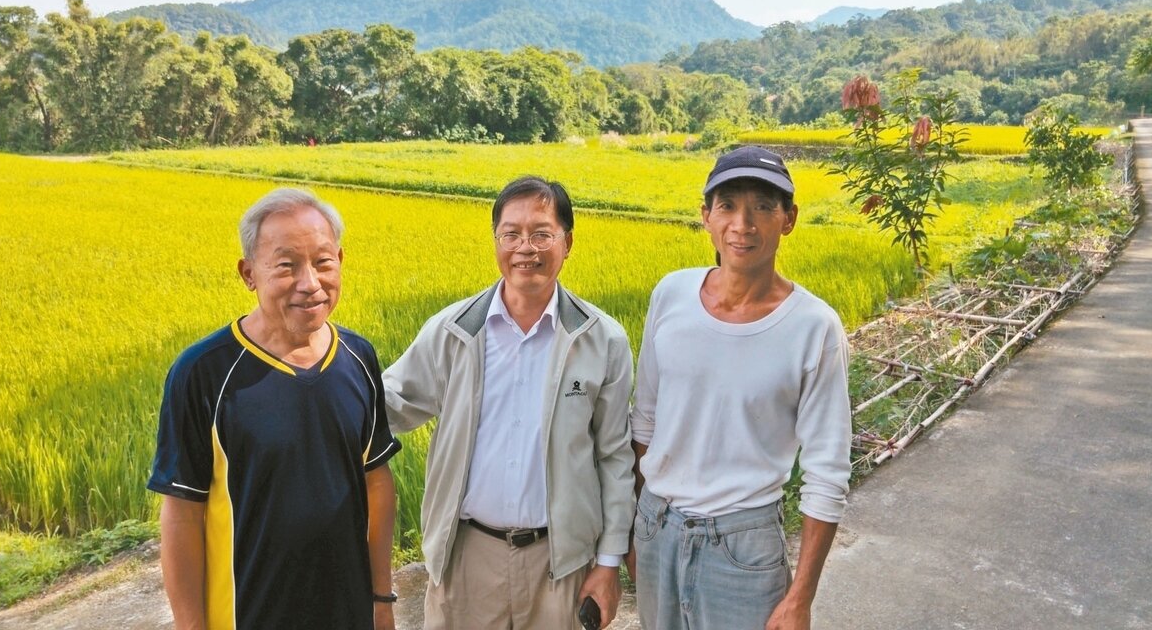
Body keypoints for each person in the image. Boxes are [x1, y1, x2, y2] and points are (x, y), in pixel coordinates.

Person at [383, 176, 635, 630]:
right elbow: (393, 401)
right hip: (466, 558)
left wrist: (609, 563)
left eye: (541, 233)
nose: (526, 248)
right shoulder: (454, 331)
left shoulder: (602, 340)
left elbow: (614, 457)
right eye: (511, 234)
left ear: (567, 242)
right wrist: (323, 376)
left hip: (560, 563)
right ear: (496, 240)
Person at [148, 187, 401, 630]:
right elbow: (182, 511)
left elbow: (376, 483)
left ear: (340, 260)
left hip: (349, 613)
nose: (310, 283)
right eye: (286, 265)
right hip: (248, 615)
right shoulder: (204, 373)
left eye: (323, 262)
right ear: (249, 273)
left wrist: (381, 601)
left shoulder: (358, 357)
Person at [629, 146, 852, 630]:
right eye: (728, 205)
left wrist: (800, 599)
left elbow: (827, 471)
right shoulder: (670, 295)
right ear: (705, 216)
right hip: (656, 526)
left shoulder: (814, 327)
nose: (743, 224)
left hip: (743, 544)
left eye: (763, 206)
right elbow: (644, 419)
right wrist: (636, 529)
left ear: (788, 219)